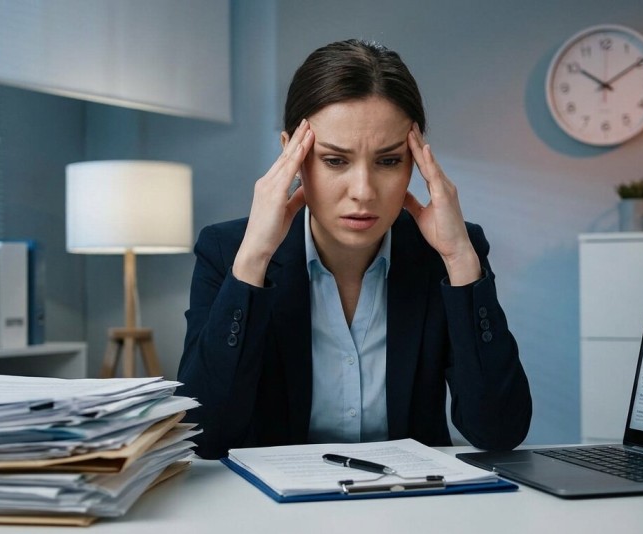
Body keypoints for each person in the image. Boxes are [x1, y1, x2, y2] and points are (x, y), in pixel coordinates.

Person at [176, 39, 531, 459]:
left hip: (412, 507)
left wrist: (460, 262)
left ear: (415, 160)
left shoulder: (449, 253)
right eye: (334, 161)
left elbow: (499, 431)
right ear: (292, 152)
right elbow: (205, 436)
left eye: (388, 161)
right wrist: (253, 260)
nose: (363, 192)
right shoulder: (228, 251)